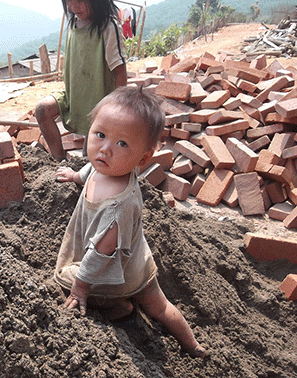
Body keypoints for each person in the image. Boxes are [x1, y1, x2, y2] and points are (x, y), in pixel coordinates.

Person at [54, 87, 207, 358]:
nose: (105, 149)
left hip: (115, 268)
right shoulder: (108, 167)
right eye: (100, 135)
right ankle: (121, 307)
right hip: (136, 260)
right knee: (158, 306)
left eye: (122, 144)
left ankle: (190, 344)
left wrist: (80, 288)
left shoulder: (118, 208)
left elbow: (100, 253)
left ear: (144, 158)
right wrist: (77, 176)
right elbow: (92, 168)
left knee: (64, 278)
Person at [35, 0, 127, 161]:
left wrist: (117, 109)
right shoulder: (73, 24)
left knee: (88, 156)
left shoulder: (108, 26)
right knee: (42, 110)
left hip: (99, 101)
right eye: (69, 2)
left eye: (80, 1)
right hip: (74, 95)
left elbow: (120, 71)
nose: (74, 7)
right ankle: (59, 160)